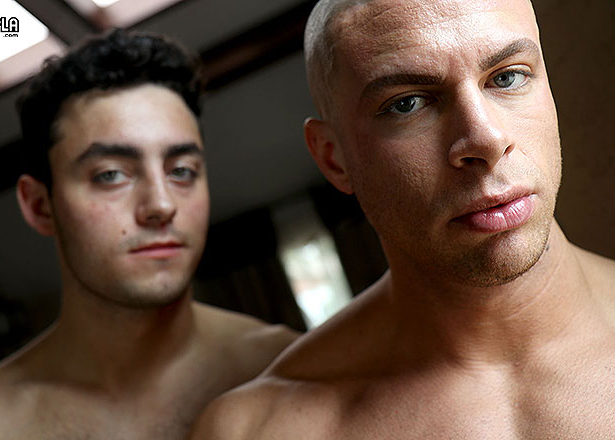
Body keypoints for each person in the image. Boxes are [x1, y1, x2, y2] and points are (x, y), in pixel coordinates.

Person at [188, 0, 615, 438]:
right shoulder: (261, 431)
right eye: (407, 104)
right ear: (333, 158)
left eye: (507, 77)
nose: (485, 139)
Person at [0, 29, 298, 439]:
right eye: (110, 175)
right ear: (40, 206)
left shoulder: (292, 368)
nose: (161, 205)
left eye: (181, 170)